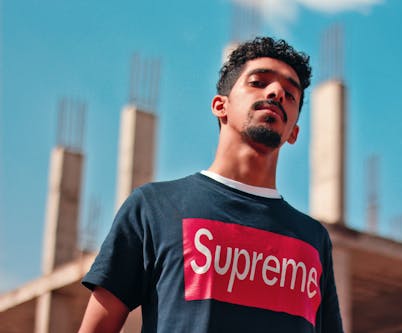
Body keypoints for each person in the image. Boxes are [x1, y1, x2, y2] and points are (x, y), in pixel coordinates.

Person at [78, 36, 344, 333]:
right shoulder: (154, 208)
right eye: (258, 82)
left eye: (290, 94)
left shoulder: (313, 240)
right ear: (221, 106)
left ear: (293, 132)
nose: (276, 92)